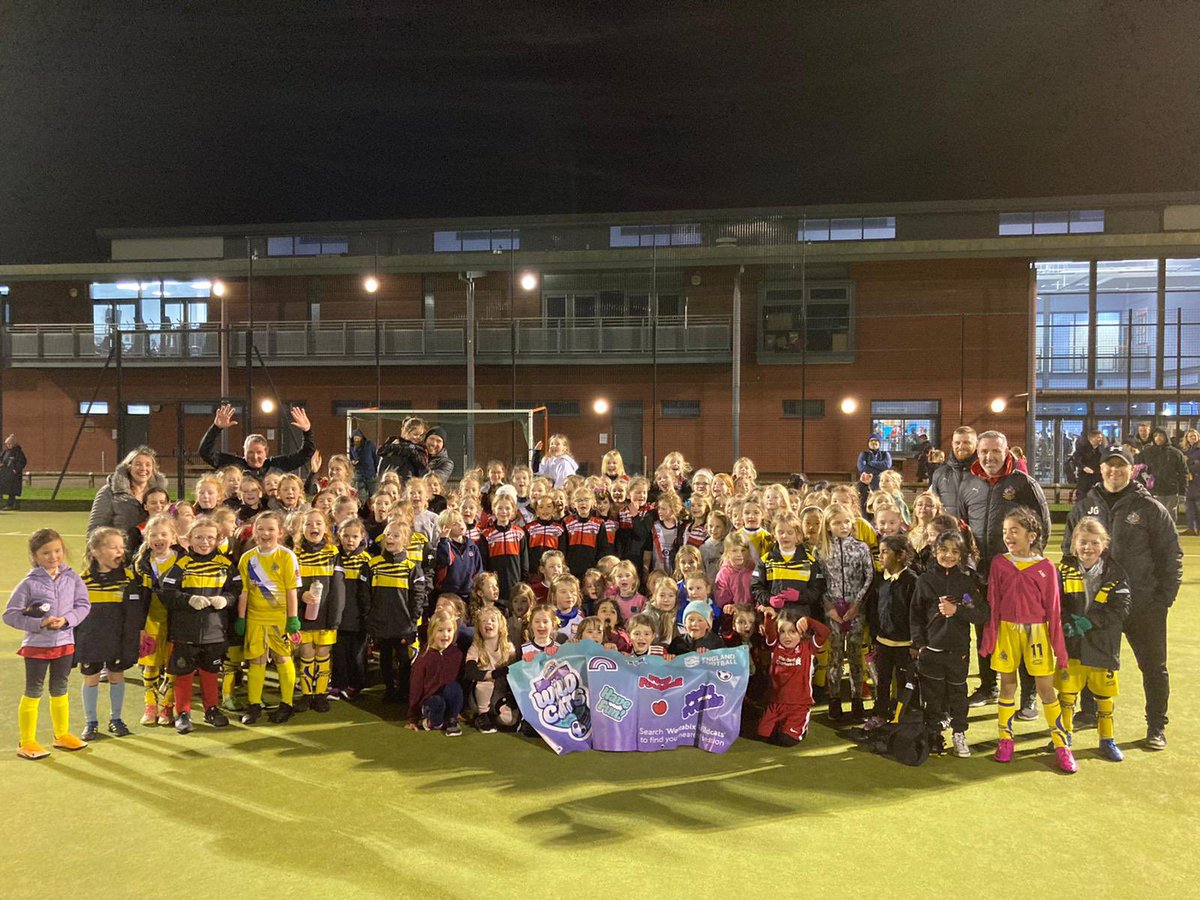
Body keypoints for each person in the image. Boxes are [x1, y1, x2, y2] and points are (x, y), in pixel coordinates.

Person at [1062, 446, 1182, 750]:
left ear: (1132, 470)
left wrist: (1163, 599)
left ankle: (1156, 725)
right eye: (1109, 466)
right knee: (1091, 661)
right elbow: (1068, 551)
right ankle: (1089, 712)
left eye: (1121, 467)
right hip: (1097, 606)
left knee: (1153, 666)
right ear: (1101, 469)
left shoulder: (1150, 507)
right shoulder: (1085, 505)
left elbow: (1171, 556)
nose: (1114, 471)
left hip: (1142, 605)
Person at [959, 430, 1050, 716]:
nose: (989, 457)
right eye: (984, 452)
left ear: (1006, 451)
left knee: (1022, 633)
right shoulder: (969, 484)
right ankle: (988, 687)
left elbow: (1042, 525)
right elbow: (963, 525)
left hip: (1015, 575)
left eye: (995, 451)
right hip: (981, 575)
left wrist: (1028, 564)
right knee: (984, 629)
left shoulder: (1022, 483)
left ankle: (1029, 697)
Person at [981, 507, 1073, 772]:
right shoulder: (1000, 563)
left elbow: (1054, 611)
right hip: (1008, 632)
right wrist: (990, 638)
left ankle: (1061, 745)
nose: (1008, 536)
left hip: (1037, 633)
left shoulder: (1046, 568)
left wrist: (1060, 650)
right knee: (1007, 686)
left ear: (1031, 535)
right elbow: (993, 603)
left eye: (1014, 531)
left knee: (1046, 689)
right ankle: (1005, 740)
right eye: (1005, 531)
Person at [4, 529, 90, 759]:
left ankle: (61, 735)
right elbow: (10, 615)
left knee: (60, 689)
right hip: (36, 646)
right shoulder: (28, 584)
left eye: (57, 551)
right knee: (33, 690)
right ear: (35, 555)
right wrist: (40, 623)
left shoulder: (72, 578)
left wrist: (67, 620)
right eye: (46, 553)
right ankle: (27, 741)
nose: (53, 557)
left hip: (65, 643)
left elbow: (83, 605)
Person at [1055, 518, 1131, 762]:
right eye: (1083, 542)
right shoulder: (1063, 570)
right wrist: (1066, 622)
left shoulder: (1117, 572)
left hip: (1103, 644)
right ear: (1074, 544)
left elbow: (1121, 607)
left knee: (1104, 696)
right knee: (1067, 694)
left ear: (1104, 545)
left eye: (1095, 543)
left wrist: (1090, 622)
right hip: (1073, 644)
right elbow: (1055, 602)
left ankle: (1107, 739)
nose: (1088, 548)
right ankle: (1063, 737)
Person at [910, 531, 987, 759]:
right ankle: (934, 734)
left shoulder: (965, 582)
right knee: (932, 696)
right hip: (931, 650)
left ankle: (959, 733)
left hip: (958, 651)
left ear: (962, 555)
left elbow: (981, 613)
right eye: (943, 550)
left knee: (958, 694)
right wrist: (920, 644)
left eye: (955, 551)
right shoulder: (925, 580)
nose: (949, 555)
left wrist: (958, 611)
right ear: (934, 552)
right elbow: (915, 615)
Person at [159, 517, 240, 732]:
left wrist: (227, 600)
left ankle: (211, 709)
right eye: (199, 537)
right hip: (185, 631)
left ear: (218, 540)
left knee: (210, 671)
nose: (205, 542)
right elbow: (166, 593)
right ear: (189, 539)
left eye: (210, 538)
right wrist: (188, 600)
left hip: (215, 631)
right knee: (184, 672)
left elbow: (236, 591)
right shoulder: (181, 565)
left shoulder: (226, 565)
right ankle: (182, 712)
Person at [75, 528, 147, 741]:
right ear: (96, 551)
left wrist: (136, 635)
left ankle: (116, 719)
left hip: (118, 639)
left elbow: (134, 613)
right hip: (91, 639)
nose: (120, 551)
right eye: (113, 547)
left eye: (121, 547)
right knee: (91, 678)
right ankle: (91, 723)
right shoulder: (83, 580)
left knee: (117, 675)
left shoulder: (128, 577)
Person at [233, 511, 301, 725]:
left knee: (283, 659)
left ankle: (287, 704)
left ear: (280, 532)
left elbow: (292, 590)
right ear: (254, 532)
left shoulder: (287, 556)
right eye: (260, 529)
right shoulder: (247, 558)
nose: (265, 533)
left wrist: (293, 619)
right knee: (256, 660)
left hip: (280, 619)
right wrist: (241, 618)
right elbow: (243, 591)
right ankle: (254, 705)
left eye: (271, 529)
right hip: (255, 618)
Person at [819, 502, 873, 721]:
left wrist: (857, 604)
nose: (843, 526)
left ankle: (857, 698)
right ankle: (834, 700)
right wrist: (828, 606)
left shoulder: (861, 548)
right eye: (837, 522)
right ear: (828, 525)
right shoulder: (821, 549)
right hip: (832, 611)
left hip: (855, 610)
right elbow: (819, 580)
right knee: (835, 657)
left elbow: (869, 577)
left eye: (846, 521)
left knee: (855, 656)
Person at [757, 606, 831, 746]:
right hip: (776, 702)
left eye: (792, 632)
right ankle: (781, 725)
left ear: (801, 633)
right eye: (782, 632)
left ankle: (801, 728)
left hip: (798, 704)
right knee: (763, 734)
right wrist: (768, 617)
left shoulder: (808, 648)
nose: (787, 636)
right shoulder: (776, 646)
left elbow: (825, 632)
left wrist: (809, 621)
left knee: (787, 740)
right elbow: (769, 632)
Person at [865, 534, 918, 723]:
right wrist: (874, 636)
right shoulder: (879, 580)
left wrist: (916, 643)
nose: (880, 556)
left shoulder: (912, 581)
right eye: (879, 552)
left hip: (905, 643)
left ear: (900, 555)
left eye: (885, 552)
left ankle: (902, 717)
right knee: (883, 680)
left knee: (904, 681)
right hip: (883, 642)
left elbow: (917, 614)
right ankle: (880, 713)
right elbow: (873, 609)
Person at [198, 402, 315, 480]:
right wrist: (216, 428)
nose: (254, 457)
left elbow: (305, 454)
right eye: (250, 452)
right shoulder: (235, 465)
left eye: (259, 452)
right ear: (243, 451)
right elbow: (205, 452)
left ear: (266, 451)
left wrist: (307, 431)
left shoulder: (276, 465)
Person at [87, 446, 169, 536]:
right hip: (120, 549)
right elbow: (95, 529)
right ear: (129, 467)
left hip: (150, 549)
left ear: (153, 469)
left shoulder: (159, 494)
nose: (143, 468)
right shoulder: (109, 492)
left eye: (148, 465)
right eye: (138, 464)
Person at [406, 611, 464, 735]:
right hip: (431, 701)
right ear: (432, 632)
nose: (445, 635)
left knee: (455, 688)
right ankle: (431, 722)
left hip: (448, 699)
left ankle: (452, 720)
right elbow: (415, 688)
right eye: (440, 630)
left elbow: (460, 680)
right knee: (438, 702)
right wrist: (412, 718)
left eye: (449, 630)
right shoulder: (424, 658)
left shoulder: (457, 654)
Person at [1140, 426, 1188, 525]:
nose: (1158, 438)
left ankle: (1171, 539)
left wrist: (1182, 492)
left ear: (1166, 436)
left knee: (1170, 519)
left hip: (1171, 492)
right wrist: (1145, 479)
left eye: (1161, 435)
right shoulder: (1147, 452)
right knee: (1154, 518)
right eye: (1155, 435)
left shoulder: (1176, 453)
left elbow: (1183, 473)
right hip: (1153, 491)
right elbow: (1139, 469)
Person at [929, 425, 977, 519]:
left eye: (966, 442)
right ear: (952, 444)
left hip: (976, 532)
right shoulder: (940, 474)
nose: (961, 446)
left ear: (976, 444)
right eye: (957, 443)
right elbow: (934, 507)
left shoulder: (984, 473)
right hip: (949, 531)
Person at [855, 433, 892, 512]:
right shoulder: (863, 454)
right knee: (865, 507)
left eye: (876, 441)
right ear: (868, 443)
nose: (873, 443)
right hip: (866, 485)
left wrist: (871, 463)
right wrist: (879, 470)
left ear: (880, 443)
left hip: (881, 485)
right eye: (871, 441)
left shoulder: (885, 454)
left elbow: (887, 466)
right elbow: (862, 468)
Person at [1069, 430, 1105, 499]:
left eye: (1101, 437)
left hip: (1097, 478)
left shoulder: (1101, 450)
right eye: (1098, 437)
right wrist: (1084, 468)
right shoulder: (1082, 448)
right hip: (1084, 480)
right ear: (1091, 438)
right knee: (1082, 499)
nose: (1101, 439)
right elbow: (1075, 459)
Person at [348, 428, 378, 496]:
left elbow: (375, 457)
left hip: (370, 472)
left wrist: (376, 470)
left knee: (373, 494)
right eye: (355, 438)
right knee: (361, 495)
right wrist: (353, 462)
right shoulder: (352, 447)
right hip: (359, 473)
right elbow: (351, 457)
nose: (356, 440)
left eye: (358, 438)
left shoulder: (369, 445)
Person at [1, 434, 27, 509]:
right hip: (5, 474)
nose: (8, 445)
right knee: (3, 488)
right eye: (7, 444)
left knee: (12, 491)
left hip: (14, 476)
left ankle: (11, 505)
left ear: (13, 444)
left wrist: (16, 469)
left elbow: (22, 462)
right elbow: (2, 460)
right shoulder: (6, 452)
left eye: (9, 444)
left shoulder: (18, 452)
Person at [1184, 428, 1200, 536]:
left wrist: (1188, 463)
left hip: (1198, 482)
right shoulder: (1185, 451)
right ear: (1187, 438)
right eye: (1190, 436)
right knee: (1189, 507)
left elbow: (1198, 466)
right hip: (1188, 483)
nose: (1193, 438)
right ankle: (1191, 528)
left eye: (1194, 435)